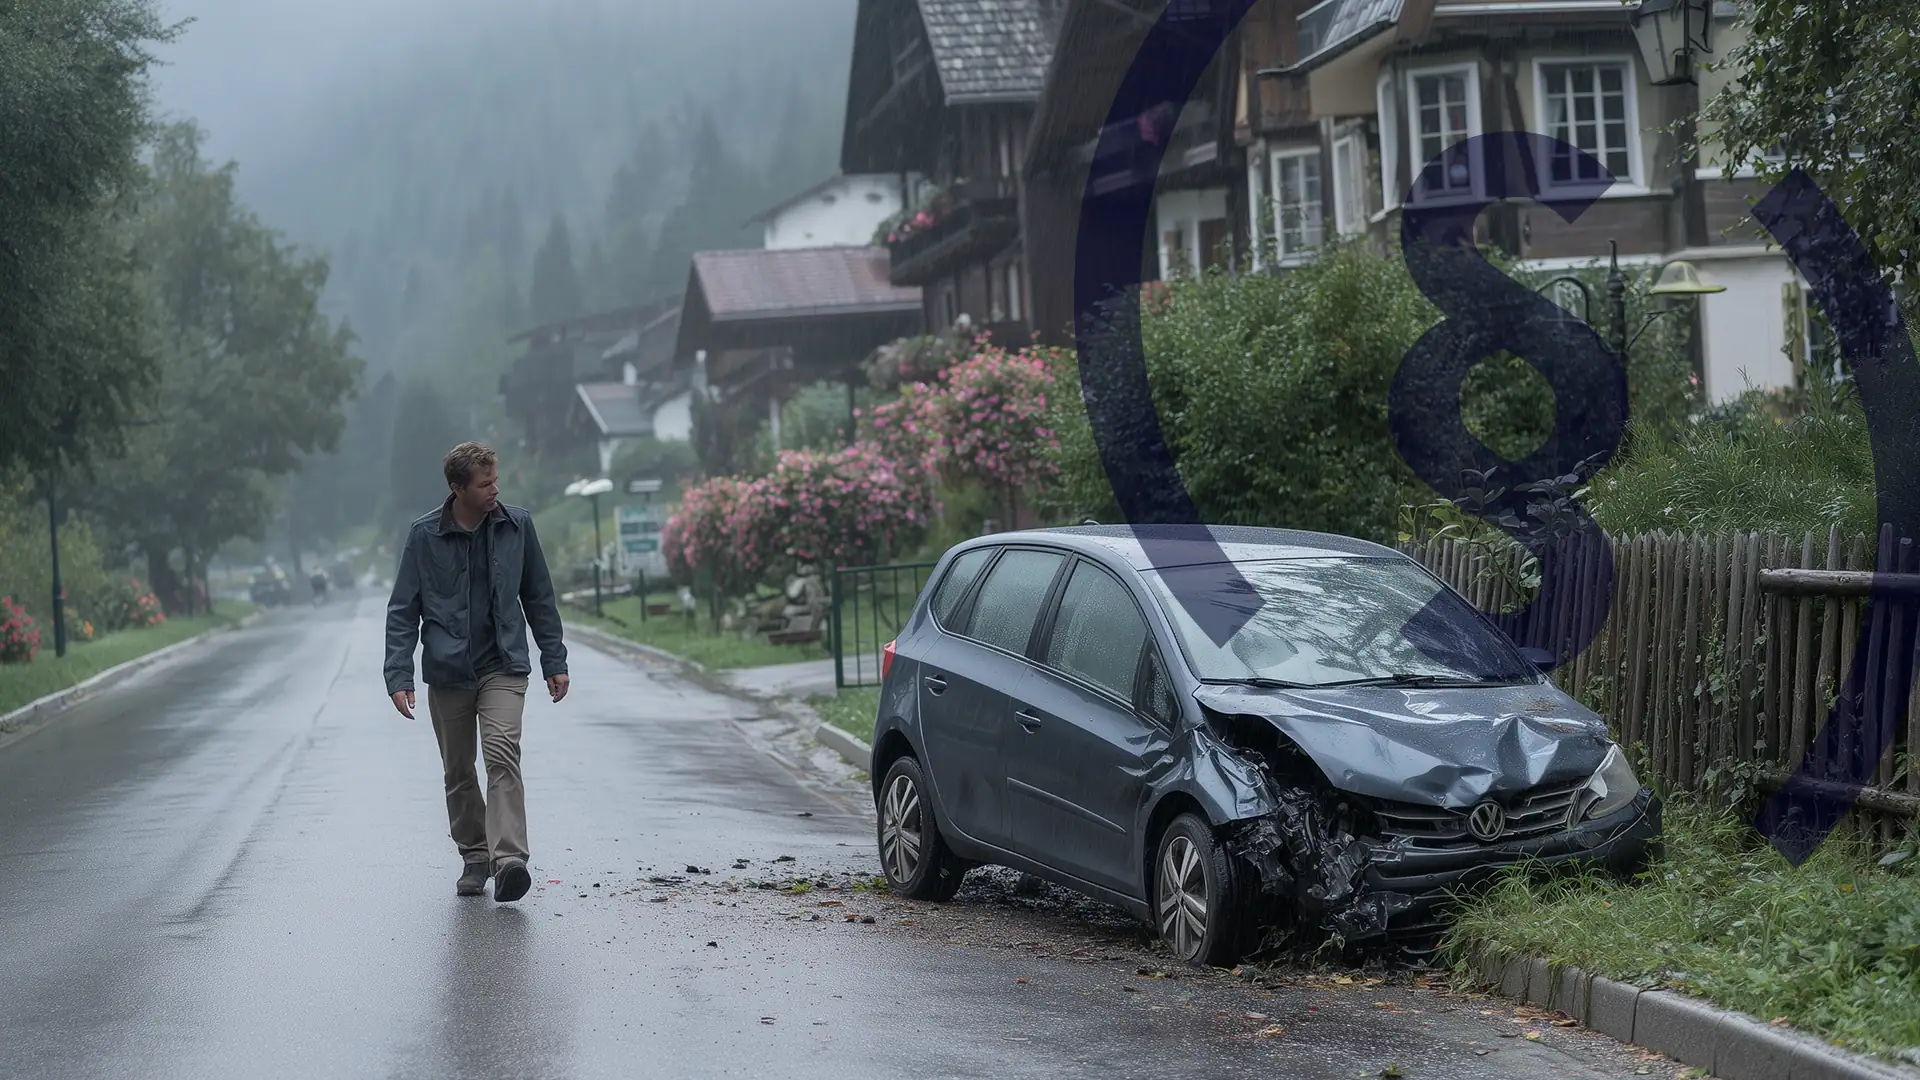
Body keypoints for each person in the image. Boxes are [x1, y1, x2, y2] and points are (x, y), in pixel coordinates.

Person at [384, 442, 569, 902]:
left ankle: (509, 861)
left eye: (496, 480)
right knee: (458, 770)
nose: (495, 490)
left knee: (502, 753)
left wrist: (554, 659)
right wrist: (399, 674)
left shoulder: (517, 526)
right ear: (457, 488)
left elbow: (539, 597)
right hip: (448, 670)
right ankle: (475, 855)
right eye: (485, 484)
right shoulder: (424, 535)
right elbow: (403, 610)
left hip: (503, 664)